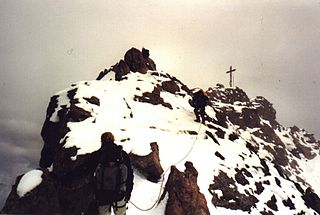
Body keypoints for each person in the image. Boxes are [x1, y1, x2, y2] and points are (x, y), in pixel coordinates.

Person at [94, 132, 134, 215]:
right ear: (113, 139)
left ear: (102, 141)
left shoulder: (99, 154)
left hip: (102, 194)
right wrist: (128, 192)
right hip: (119, 193)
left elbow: (89, 172)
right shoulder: (122, 154)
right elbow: (130, 175)